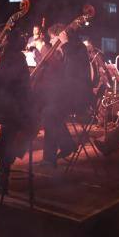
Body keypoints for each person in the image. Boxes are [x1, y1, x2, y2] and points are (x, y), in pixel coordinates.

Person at [35, 23, 93, 166]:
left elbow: (72, 73)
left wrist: (65, 45)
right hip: (68, 95)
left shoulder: (78, 48)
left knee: (50, 113)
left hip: (79, 98)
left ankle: (58, 151)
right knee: (48, 111)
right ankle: (59, 151)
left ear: (62, 36)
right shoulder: (67, 50)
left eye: (53, 38)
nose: (51, 42)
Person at [0, 28, 32, 193]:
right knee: (4, 143)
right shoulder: (15, 55)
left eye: (0, 38)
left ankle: (2, 182)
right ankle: (1, 178)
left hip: (15, 111)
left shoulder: (11, 56)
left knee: (4, 144)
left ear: (7, 39)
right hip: (16, 109)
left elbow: (0, 82)